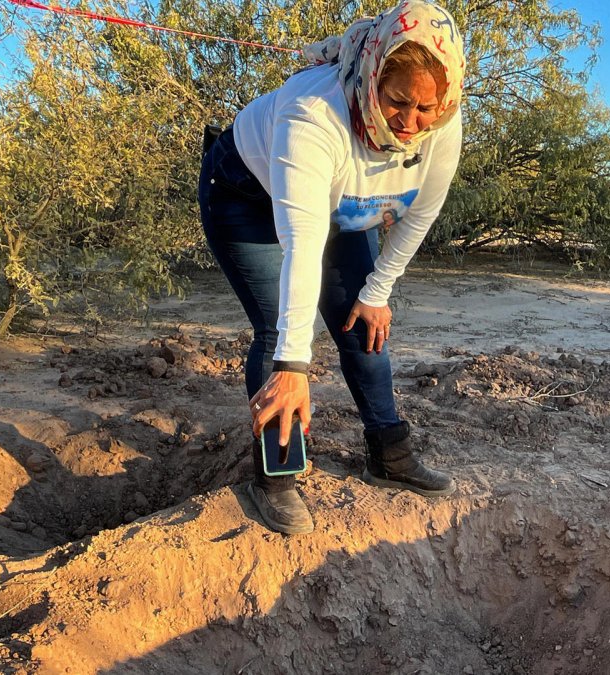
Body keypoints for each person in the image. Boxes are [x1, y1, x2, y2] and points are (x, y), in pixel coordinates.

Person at [197, 0, 464, 534]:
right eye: (398, 102)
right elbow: (303, 242)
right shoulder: (311, 115)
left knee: (362, 323)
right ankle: (276, 477)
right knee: (278, 333)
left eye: (426, 109)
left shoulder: (443, 124)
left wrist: (377, 290)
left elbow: (419, 215)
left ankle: (389, 453)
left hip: (347, 204)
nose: (411, 123)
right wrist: (294, 367)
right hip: (246, 195)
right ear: (372, 77)